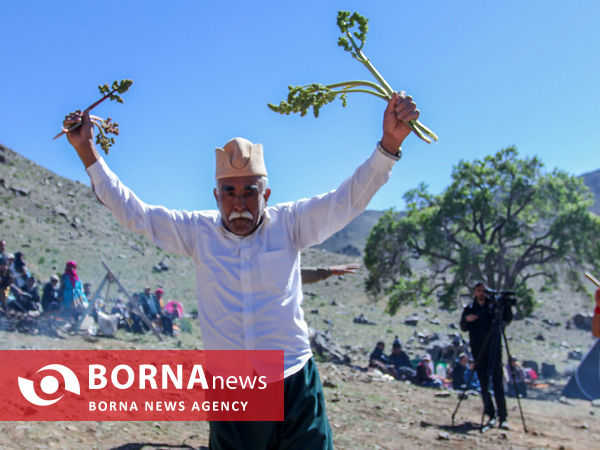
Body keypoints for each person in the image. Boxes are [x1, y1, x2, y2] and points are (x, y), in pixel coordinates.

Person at [64, 89, 419, 449]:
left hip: (293, 380)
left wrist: (389, 145)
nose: (239, 205)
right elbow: (134, 212)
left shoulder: (290, 223)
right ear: (215, 196)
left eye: (249, 192)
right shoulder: (197, 233)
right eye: (229, 193)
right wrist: (87, 152)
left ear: (265, 195)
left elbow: (347, 200)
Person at [460, 282, 513, 430]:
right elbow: (463, 327)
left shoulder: (493, 308)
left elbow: (507, 319)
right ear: (475, 292)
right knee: (484, 385)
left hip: (494, 350)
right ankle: (490, 414)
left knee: (498, 385)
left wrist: (506, 305)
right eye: (478, 290)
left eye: (483, 290)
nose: (481, 293)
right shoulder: (470, 309)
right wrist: (466, 319)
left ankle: (503, 417)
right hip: (478, 351)